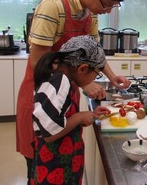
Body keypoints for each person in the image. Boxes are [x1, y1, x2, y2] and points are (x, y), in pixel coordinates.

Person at [16, 0, 131, 184]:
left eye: (111, 7)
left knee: (65, 157)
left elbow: (93, 52)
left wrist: (111, 76)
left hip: (67, 90)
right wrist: (81, 83)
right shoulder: (53, 6)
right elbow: (38, 61)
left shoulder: (91, 13)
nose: (107, 11)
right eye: (106, 4)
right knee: (39, 164)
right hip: (43, 92)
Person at [32, 35, 111, 184]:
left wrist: (89, 115)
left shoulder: (63, 78)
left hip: (66, 159)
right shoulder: (60, 82)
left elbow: (59, 117)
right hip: (55, 165)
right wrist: (80, 117)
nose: (94, 80)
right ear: (82, 68)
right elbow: (48, 133)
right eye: (96, 75)